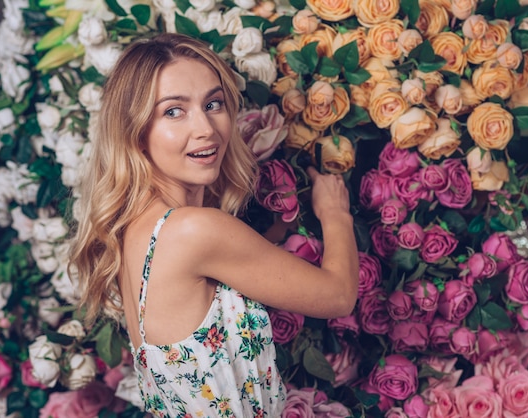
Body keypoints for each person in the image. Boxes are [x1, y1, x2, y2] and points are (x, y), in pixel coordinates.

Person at [68, 32, 359, 417]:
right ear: (136, 132)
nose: (205, 127)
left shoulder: (139, 230)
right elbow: (338, 296)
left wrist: (281, 227)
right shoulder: (193, 231)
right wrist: (336, 214)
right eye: (174, 111)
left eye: (213, 103)